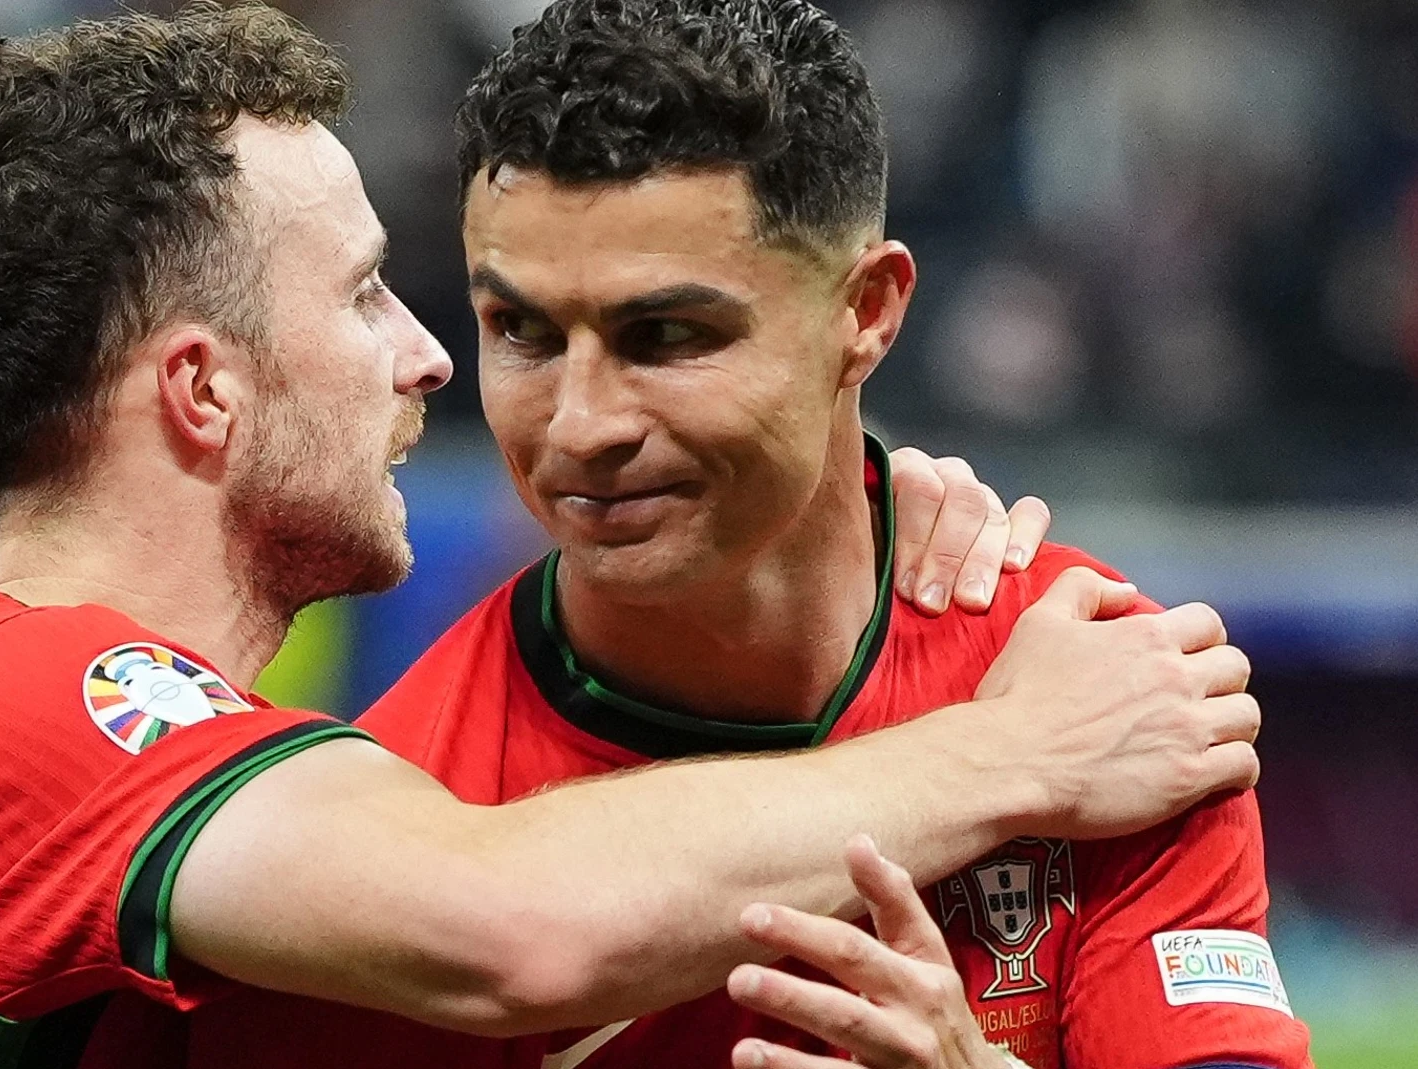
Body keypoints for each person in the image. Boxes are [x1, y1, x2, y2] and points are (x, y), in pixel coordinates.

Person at [0, 7, 1262, 1068]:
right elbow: (516, 919)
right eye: (367, 297)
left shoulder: (239, 828)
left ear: (861, 320)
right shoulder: (14, 703)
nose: (426, 360)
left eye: (669, 334)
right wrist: (1023, 758)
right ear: (204, 391)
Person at [193, 2, 1310, 1067]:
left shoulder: (1102, 675)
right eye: (521, 329)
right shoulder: (406, 814)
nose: (580, 428)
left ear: (865, 313)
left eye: (667, 334)